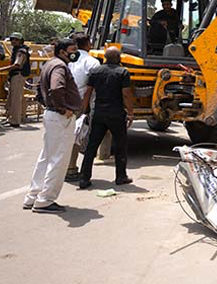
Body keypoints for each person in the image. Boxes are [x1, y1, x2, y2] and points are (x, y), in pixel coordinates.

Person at [23, 38, 81, 213]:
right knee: (59, 159)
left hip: (51, 115)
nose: (75, 53)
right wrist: (63, 108)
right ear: (62, 51)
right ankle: (45, 200)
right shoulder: (59, 67)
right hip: (59, 117)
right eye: (72, 49)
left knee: (47, 157)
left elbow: (40, 89)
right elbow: (56, 88)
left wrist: (49, 106)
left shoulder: (49, 64)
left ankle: (33, 196)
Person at [78, 47, 134, 189]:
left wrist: (85, 110)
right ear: (119, 58)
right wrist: (131, 112)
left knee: (91, 146)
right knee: (120, 145)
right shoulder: (123, 72)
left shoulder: (96, 71)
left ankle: (84, 178)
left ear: (105, 58)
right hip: (116, 114)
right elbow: (126, 94)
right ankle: (121, 176)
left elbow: (88, 92)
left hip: (99, 113)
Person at [64, 33, 101, 181]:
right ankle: (70, 169)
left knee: (63, 136)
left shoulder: (65, 59)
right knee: (76, 136)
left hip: (61, 103)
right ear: (88, 44)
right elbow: (92, 89)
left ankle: (60, 168)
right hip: (79, 104)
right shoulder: (92, 62)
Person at [0, 32, 31, 127]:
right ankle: (15, 118)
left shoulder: (21, 51)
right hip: (17, 76)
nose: (13, 41)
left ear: (21, 41)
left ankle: (15, 121)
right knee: (15, 98)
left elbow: (17, 64)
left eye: (16, 39)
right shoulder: (18, 50)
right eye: (12, 39)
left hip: (18, 75)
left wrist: (2, 69)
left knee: (15, 99)